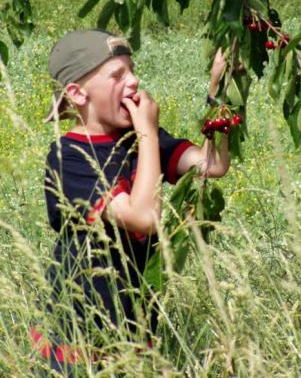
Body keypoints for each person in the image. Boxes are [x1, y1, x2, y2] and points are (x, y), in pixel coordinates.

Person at [31, 29, 230, 374]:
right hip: (78, 348)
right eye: (118, 75)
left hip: (135, 338)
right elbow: (143, 217)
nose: (135, 81)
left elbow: (213, 164)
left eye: (133, 69)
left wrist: (220, 91)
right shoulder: (69, 158)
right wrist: (147, 134)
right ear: (77, 94)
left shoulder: (138, 140)